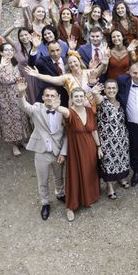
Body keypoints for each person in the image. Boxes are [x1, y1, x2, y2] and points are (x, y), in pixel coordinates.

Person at [17, 80, 66, 220]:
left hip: (58, 151)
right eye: (47, 95)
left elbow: (67, 134)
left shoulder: (63, 111)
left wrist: (64, 152)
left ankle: (61, 194)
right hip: (41, 151)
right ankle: (45, 203)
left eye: (53, 95)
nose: (50, 98)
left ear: (58, 98)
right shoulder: (37, 108)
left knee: (59, 176)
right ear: (43, 97)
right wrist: (21, 93)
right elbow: (24, 105)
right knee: (42, 180)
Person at [57, 88, 102, 221]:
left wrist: (99, 147)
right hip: (76, 150)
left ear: (84, 98)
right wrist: (56, 107)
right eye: (76, 96)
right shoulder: (69, 112)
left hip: (90, 148)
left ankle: (88, 197)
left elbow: (94, 131)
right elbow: (64, 111)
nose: (79, 98)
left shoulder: (89, 111)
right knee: (74, 176)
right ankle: (70, 207)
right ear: (71, 98)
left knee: (90, 173)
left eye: (81, 96)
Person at [0, 44, 32, 157]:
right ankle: (14, 145)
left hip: (17, 93)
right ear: (1, 53)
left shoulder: (15, 63)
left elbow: (19, 80)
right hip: (4, 96)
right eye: (6, 50)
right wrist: (1, 66)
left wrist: (24, 93)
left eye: (11, 50)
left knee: (21, 117)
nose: (9, 52)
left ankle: (22, 140)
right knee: (8, 120)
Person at [92, 81, 131, 199]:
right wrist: (94, 92)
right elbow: (95, 95)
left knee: (121, 159)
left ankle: (120, 177)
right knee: (108, 162)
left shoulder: (120, 102)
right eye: (108, 88)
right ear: (104, 90)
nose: (111, 90)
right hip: (107, 139)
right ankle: (109, 186)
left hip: (122, 137)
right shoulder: (102, 101)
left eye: (113, 88)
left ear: (117, 89)